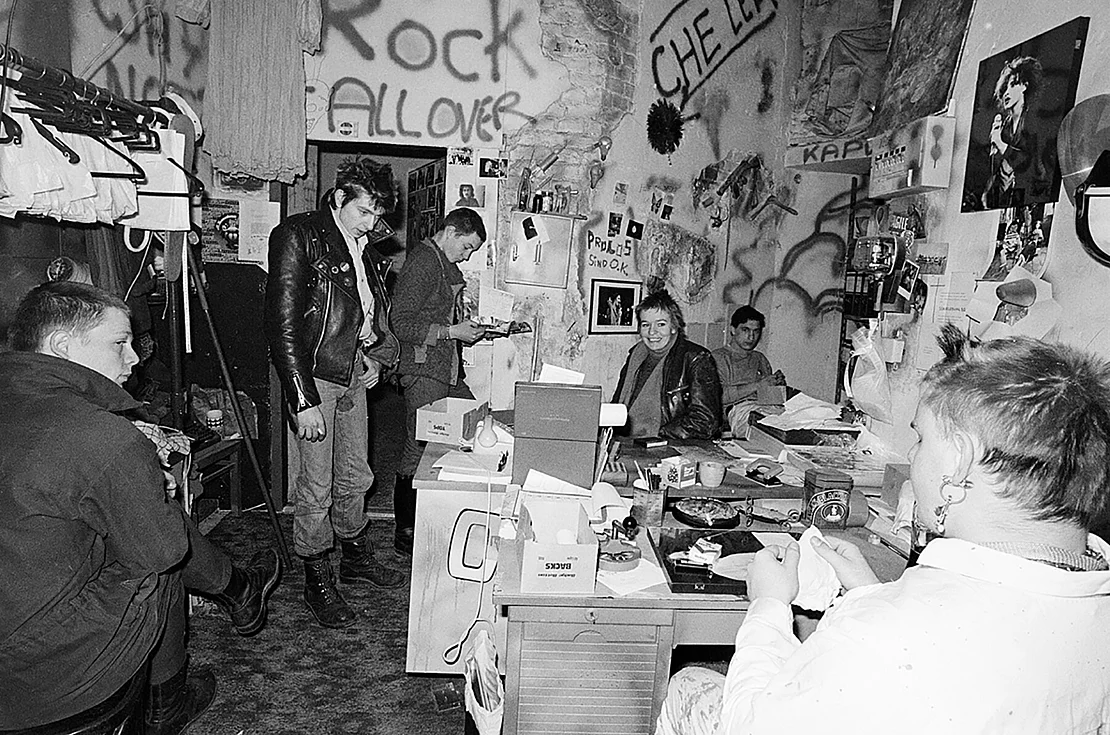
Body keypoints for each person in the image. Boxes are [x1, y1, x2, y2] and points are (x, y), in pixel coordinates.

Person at [656, 325, 1110, 735]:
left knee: (689, 685)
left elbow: (749, 725)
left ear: (959, 459)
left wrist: (769, 608)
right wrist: (868, 593)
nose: (913, 458)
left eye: (921, 438)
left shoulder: (882, 637)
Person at [0, 282, 280, 734]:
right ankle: (170, 705)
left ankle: (238, 591)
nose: (134, 359)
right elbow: (162, 551)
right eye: (119, 344)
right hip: (44, 679)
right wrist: (145, 484)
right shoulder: (100, 436)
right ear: (62, 346)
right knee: (158, 551)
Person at [264, 156, 405, 630]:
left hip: (350, 373)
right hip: (315, 378)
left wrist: (372, 359)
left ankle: (355, 551)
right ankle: (316, 576)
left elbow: (362, 318)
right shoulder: (298, 234)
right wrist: (301, 398)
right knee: (316, 484)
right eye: (364, 212)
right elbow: (282, 324)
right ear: (339, 198)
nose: (373, 224)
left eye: (377, 215)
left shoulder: (364, 247)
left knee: (356, 474)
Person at [391, 207, 487, 555]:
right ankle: (406, 531)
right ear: (450, 231)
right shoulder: (423, 262)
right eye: (467, 246)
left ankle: (439, 516)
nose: (468, 254)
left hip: (445, 368)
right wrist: (450, 332)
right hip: (423, 369)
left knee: (474, 426)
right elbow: (398, 323)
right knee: (417, 447)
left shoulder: (444, 263)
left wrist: (469, 330)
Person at [613, 289, 721, 440]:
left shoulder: (696, 358)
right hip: (625, 441)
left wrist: (660, 434)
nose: (652, 332)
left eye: (661, 324)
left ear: (674, 327)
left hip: (667, 446)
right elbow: (617, 405)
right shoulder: (635, 355)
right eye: (646, 325)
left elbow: (705, 420)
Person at [981, 55, 1044, 210]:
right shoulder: (1006, 127)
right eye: (1005, 89)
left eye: (1012, 85)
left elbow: (1029, 164)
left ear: (1024, 85)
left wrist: (1001, 144)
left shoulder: (1032, 121)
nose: (1006, 93)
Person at [713, 305, 785, 415]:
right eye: (745, 330)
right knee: (763, 424)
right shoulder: (718, 358)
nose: (751, 337)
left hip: (763, 410)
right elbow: (716, 396)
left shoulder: (759, 358)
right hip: (737, 413)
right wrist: (757, 385)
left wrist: (777, 385)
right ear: (733, 330)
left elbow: (770, 400)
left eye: (756, 331)